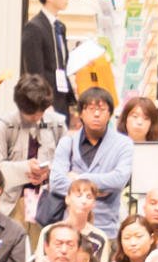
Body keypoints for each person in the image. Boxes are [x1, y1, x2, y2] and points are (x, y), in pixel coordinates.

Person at [48, 87, 134, 239]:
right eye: (91, 108)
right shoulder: (67, 142)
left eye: (102, 109)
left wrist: (78, 179)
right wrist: (101, 187)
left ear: (109, 114)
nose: (96, 114)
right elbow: (55, 182)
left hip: (107, 228)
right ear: (81, 113)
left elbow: (119, 180)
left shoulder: (124, 144)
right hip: (71, 227)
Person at [0, 74, 67, 221]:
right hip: (13, 203)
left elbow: (67, 164)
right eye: (31, 116)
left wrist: (47, 174)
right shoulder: (5, 126)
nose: (37, 118)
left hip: (48, 203)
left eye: (41, 113)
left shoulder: (58, 124)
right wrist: (26, 168)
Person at [21, 0, 75, 117]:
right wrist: (43, 104)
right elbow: (35, 73)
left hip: (61, 99)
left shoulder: (60, 27)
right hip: (45, 104)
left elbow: (62, 65)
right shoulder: (34, 28)